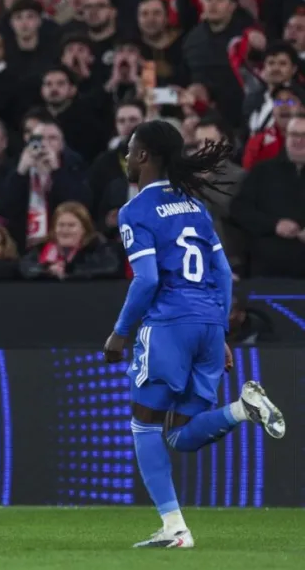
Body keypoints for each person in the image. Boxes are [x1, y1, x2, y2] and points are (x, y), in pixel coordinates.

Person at [103, 120, 285, 549]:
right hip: (207, 323)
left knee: (143, 425)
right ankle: (243, 409)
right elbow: (222, 271)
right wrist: (220, 330)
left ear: (145, 156)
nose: (127, 157)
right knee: (179, 435)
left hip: (168, 324)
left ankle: (175, 529)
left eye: (131, 149)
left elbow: (146, 280)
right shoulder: (194, 206)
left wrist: (120, 333)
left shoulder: (135, 211)